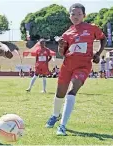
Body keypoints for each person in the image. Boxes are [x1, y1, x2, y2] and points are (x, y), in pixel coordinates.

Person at [45, 3, 107, 136]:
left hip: (83, 66)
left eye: (79, 14)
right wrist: (61, 46)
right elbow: (62, 53)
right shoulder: (67, 34)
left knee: (72, 92)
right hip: (67, 66)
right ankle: (55, 115)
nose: (76, 16)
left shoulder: (92, 28)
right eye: (73, 14)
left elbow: (103, 38)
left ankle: (62, 126)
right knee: (59, 94)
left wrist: (97, 54)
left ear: (84, 15)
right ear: (69, 16)